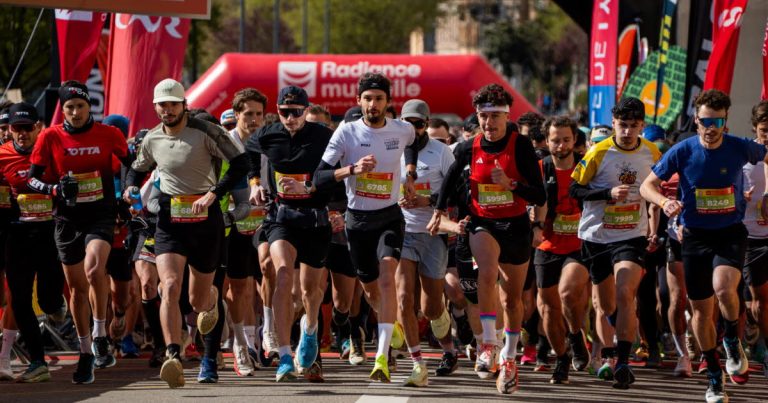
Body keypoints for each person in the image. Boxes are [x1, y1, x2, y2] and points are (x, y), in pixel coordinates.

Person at [640, 89, 768, 402]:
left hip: (730, 232)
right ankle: (713, 375)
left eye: (717, 121)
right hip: (694, 235)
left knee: (724, 289)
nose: (710, 128)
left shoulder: (741, 148)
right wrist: (664, 202)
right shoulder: (683, 151)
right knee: (699, 309)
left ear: (726, 122)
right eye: (705, 121)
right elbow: (647, 185)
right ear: (696, 120)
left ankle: (733, 342)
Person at [125, 78, 249, 388]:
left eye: (173, 104)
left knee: (198, 300)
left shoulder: (206, 131)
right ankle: (173, 354)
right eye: (162, 105)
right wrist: (129, 186)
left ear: (184, 105)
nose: (167, 110)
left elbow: (241, 162)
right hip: (170, 220)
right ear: (155, 107)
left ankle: (209, 355)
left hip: (205, 221)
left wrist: (214, 193)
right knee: (168, 285)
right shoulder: (152, 139)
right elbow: (137, 168)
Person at [428, 83, 546, 394]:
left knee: (512, 298)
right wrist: (439, 210)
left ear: (507, 117)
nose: (488, 123)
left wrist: (511, 185)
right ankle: (489, 344)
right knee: (487, 272)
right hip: (484, 223)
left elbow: (539, 193)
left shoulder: (520, 146)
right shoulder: (469, 147)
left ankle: (509, 355)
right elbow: (451, 180)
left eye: (495, 116)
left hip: (516, 227)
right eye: (483, 116)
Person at [313, 72, 419, 383]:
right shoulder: (345, 133)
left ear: (388, 103)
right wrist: (352, 170)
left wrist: (409, 173)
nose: (373, 104)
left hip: (389, 216)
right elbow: (319, 177)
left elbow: (412, 143)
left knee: (388, 281)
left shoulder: (401, 130)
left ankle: (382, 357)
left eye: (379, 99)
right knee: (372, 292)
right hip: (357, 222)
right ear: (359, 101)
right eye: (368, 98)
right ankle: (393, 327)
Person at [29, 81, 129, 384]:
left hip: (101, 214)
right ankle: (86, 351)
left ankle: (100, 334)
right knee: (75, 290)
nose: (75, 112)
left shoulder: (108, 134)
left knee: (95, 268)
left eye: (80, 106)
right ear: (64, 110)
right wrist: (54, 188)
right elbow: (33, 180)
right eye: (69, 107)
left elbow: (130, 166)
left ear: (89, 107)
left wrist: (127, 193)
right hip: (67, 218)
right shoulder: (49, 137)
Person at [570, 97, 660, 389]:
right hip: (597, 236)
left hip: (632, 234)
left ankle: (622, 362)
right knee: (604, 303)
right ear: (614, 124)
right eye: (623, 125)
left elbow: (661, 184)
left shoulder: (653, 152)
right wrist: (607, 193)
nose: (627, 131)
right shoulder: (599, 151)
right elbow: (575, 190)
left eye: (634, 126)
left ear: (642, 126)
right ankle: (608, 354)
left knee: (625, 292)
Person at [246, 86, 334, 382]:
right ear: (278, 110)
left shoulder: (322, 136)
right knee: (282, 273)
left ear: (306, 111)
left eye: (297, 112)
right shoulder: (268, 133)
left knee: (311, 292)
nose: (291, 118)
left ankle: (309, 330)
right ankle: (284, 354)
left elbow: (334, 173)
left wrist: (313, 190)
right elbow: (248, 151)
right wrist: (255, 182)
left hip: (315, 219)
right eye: (285, 112)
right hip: (281, 217)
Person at [0, 103, 65, 382]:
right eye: (17, 129)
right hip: (17, 235)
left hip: (49, 234)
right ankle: (38, 362)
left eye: (28, 128)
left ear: (38, 127)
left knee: (48, 300)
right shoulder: (1, 155)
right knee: (21, 299)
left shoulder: (51, 151)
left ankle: (55, 305)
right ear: (10, 130)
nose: (22, 134)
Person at [394, 99, 456, 387]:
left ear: (426, 124)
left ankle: (448, 348)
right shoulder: (392, 149)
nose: (413, 129)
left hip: (432, 233)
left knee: (430, 308)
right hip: (401, 232)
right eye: (407, 123)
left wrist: (427, 200)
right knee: (404, 298)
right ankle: (418, 363)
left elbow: (459, 192)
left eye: (419, 124)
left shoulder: (441, 151)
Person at [532, 115, 591, 384]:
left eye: (566, 139)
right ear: (547, 141)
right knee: (547, 309)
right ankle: (562, 357)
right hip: (546, 245)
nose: (561, 145)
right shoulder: (539, 169)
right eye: (555, 140)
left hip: (579, 245)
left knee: (568, 293)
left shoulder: (586, 168)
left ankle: (576, 334)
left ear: (575, 140)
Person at [742, 100, 768, 378]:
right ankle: (758, 336)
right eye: (764, 130)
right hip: (751, 237)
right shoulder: (745, 156)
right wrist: (742, 196)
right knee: (759, 298)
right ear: (755, 128)